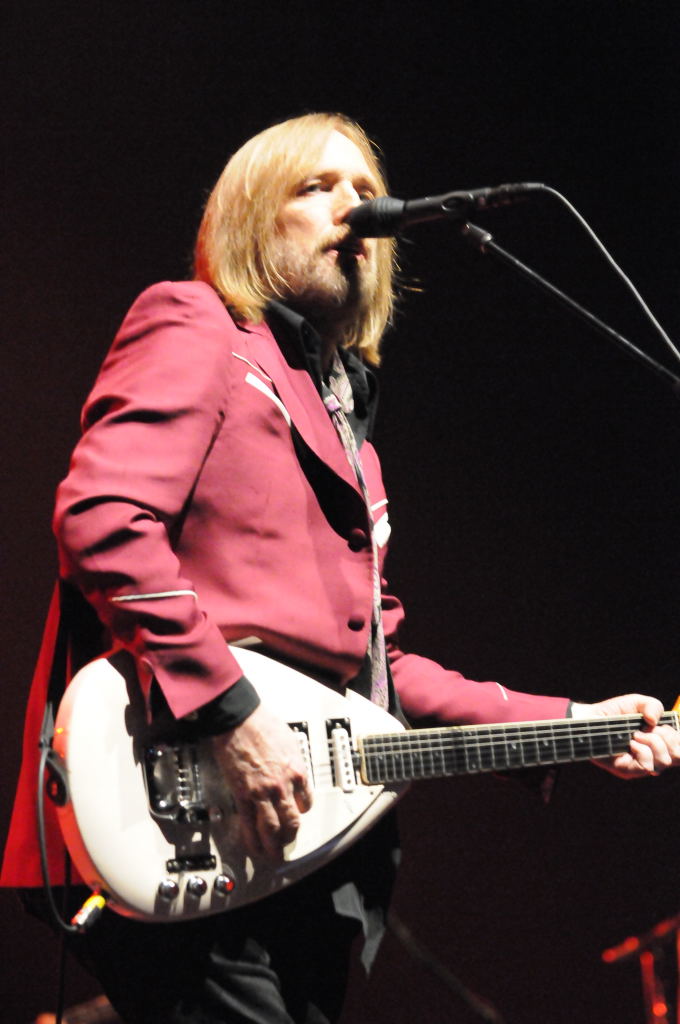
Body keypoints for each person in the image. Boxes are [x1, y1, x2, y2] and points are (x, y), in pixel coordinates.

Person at [3, 112, 680, 1024]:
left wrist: (575, 723)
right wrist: (231, 714)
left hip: (301, 856)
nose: (354, 208)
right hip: (176, 806)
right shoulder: (198, 325)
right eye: (316, 187)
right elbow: (104, 521)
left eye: (366, 190)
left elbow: (380, 674)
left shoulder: (351, 432)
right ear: (251, 217)